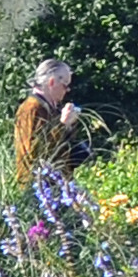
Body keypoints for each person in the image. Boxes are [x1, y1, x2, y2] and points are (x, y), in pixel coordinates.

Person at [11, 57, 86, 188]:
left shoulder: (51, 108)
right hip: (37, 188)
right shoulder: (31, 109)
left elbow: (61, 146)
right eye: (65, 85)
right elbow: (33, 153)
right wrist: (63, 125)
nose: (67, 90)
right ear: (52, 82)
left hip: (57, 185)